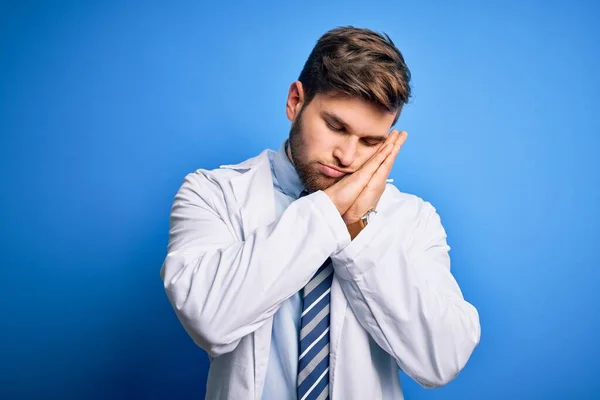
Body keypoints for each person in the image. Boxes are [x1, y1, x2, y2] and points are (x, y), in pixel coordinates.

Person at [160, 26, 480, 400]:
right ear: (296, 101)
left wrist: (360, 231)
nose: (346, 156)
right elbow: (209, 319)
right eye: (335, 126)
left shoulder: (413, 219)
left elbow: (442, 360)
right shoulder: (214, 193)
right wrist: (331, 212)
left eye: (370, 142)